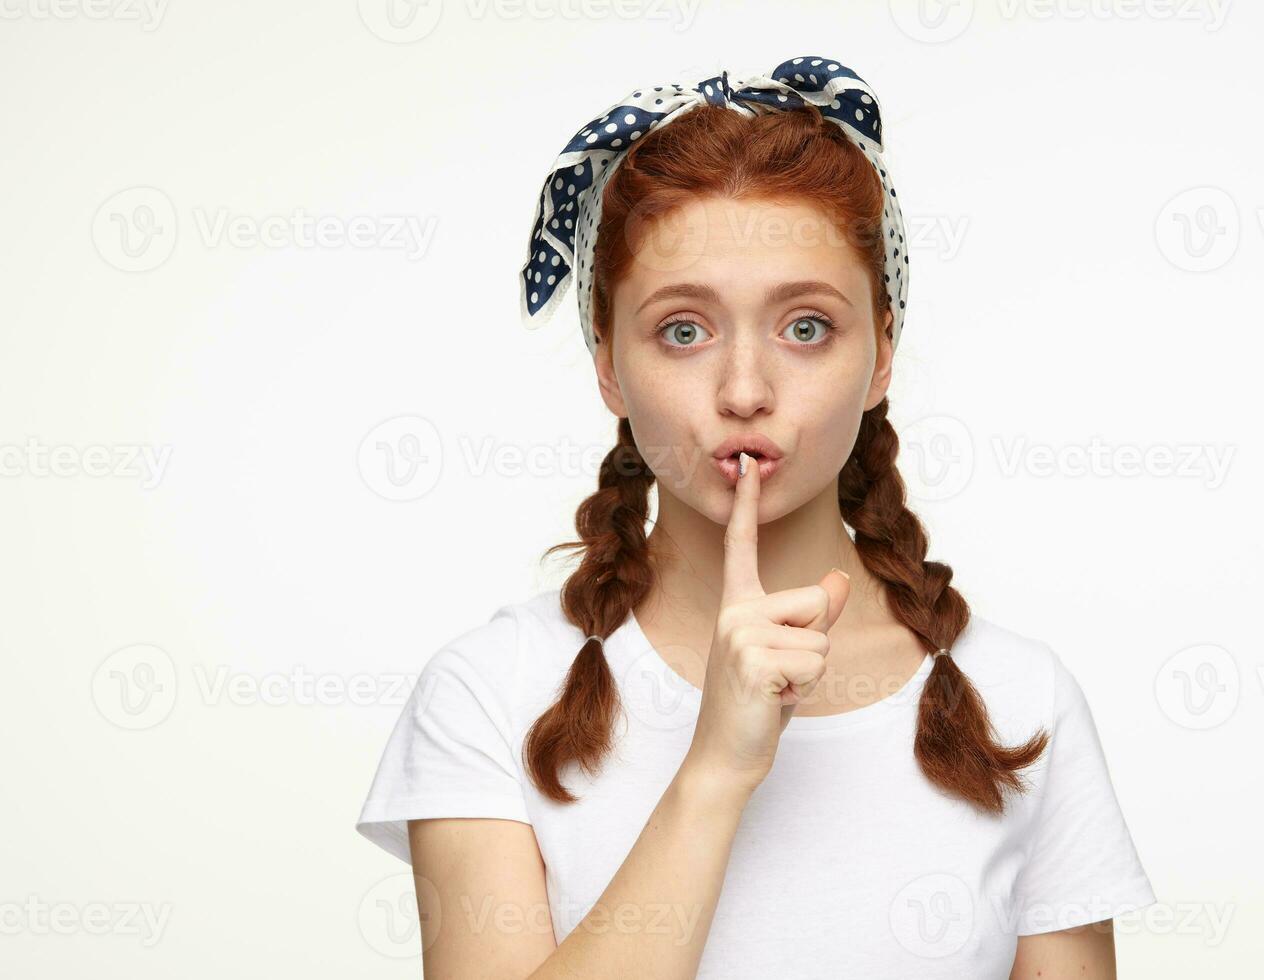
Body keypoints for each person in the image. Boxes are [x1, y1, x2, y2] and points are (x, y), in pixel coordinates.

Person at [356, 56, 1156, 979]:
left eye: (806, 326)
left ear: (882, 355)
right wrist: (715, 772)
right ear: (608, 364)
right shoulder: (490, 692)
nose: (744, 391)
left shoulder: (1017, 697)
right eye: (683, 331)